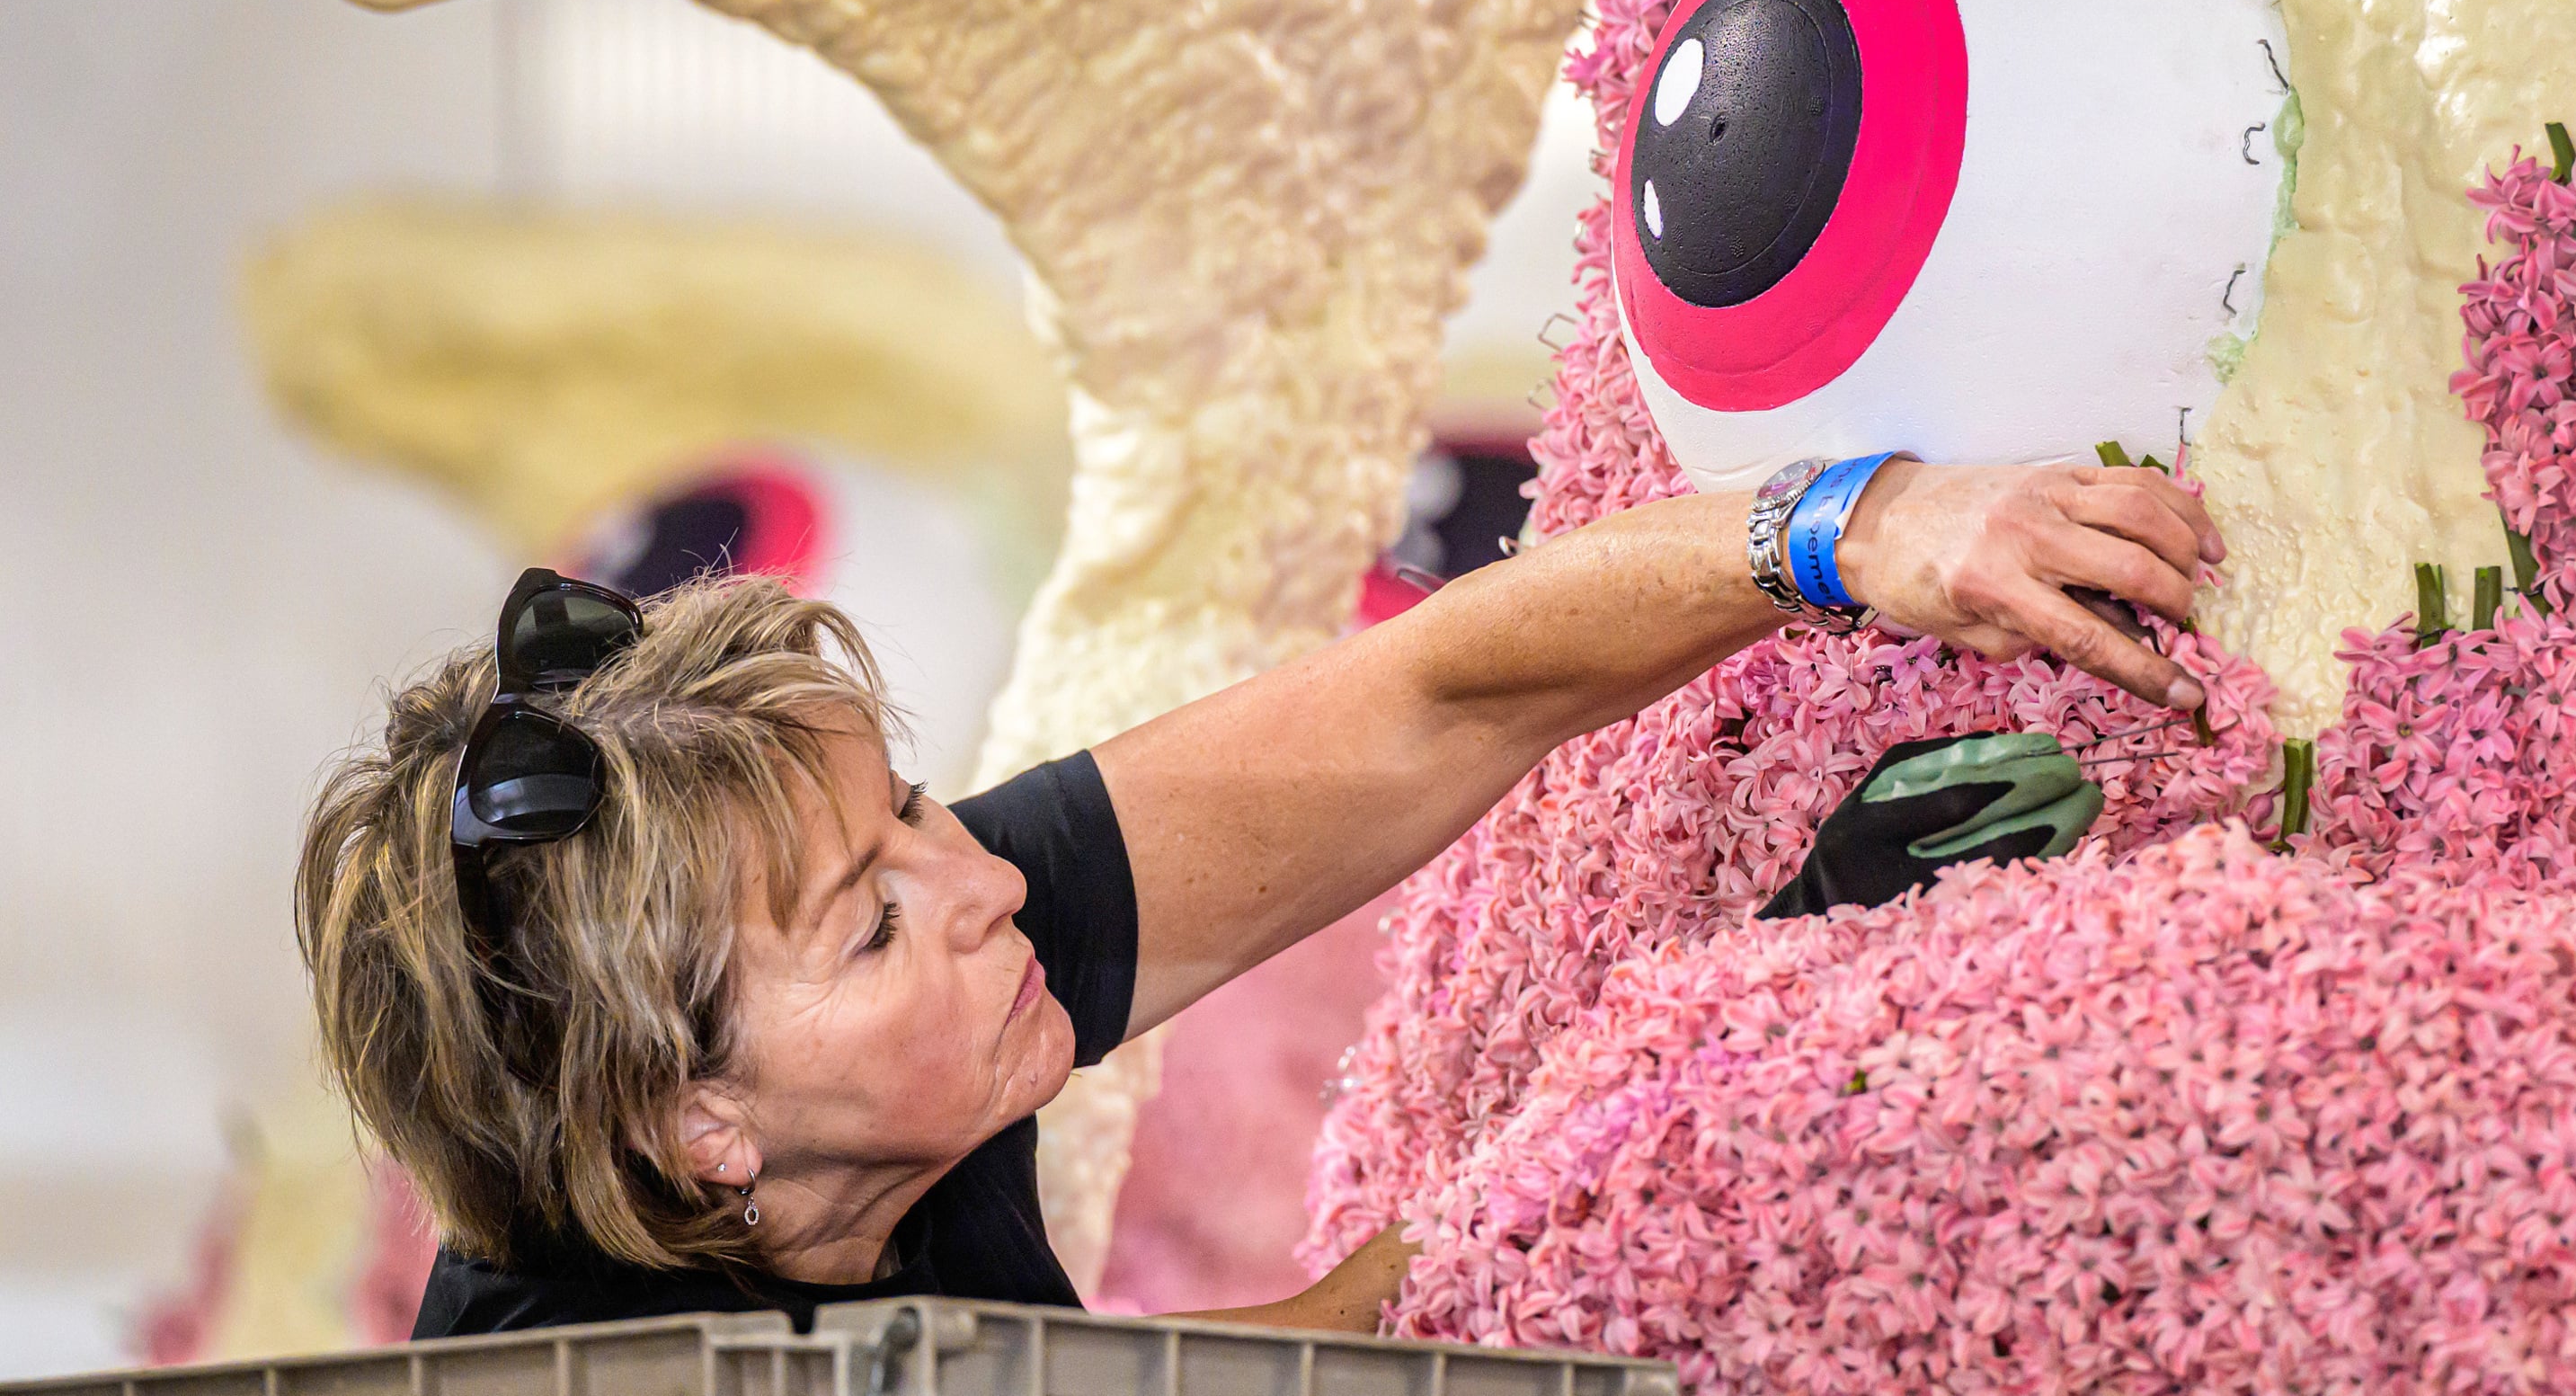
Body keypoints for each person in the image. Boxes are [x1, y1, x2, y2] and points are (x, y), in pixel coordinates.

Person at [296, 457, 2223, 1336]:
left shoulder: (903, 1005)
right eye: (869, 920)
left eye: (907, 807)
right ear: (692, 1122)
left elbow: (1426, 696)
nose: (974, 881)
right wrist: (1752, 1013)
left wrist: (1852, 525)